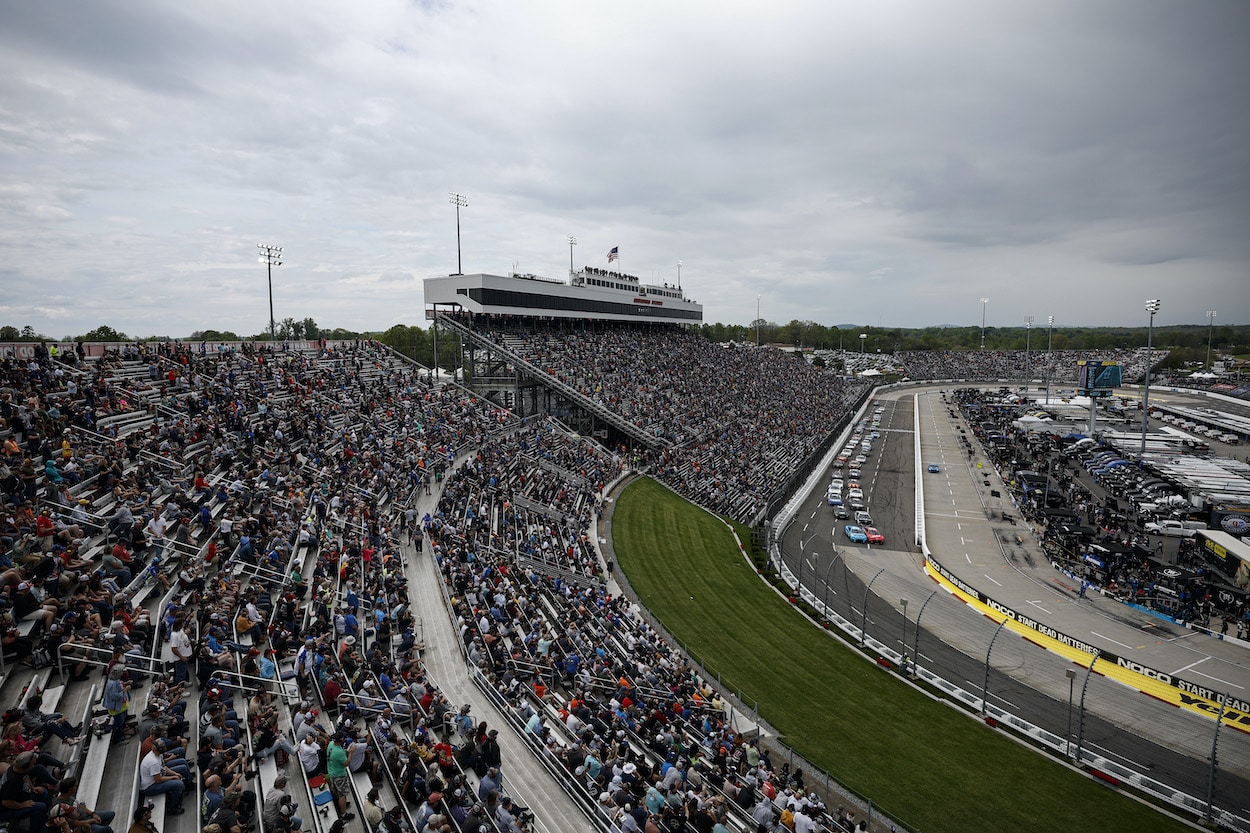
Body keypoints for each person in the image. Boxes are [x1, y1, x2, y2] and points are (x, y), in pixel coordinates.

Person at [138, 740, 187, 814]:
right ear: (159, 749)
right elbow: (158, 780)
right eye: (163, 747)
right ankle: (172, 808)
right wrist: (173, 777)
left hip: (158, 777)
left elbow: (163, 767)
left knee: (182, 765)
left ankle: (187, 785)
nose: (165, 748)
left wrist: (175, 773)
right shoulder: (153, 762)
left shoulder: (157, 754)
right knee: (178, 784)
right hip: (150, 787)